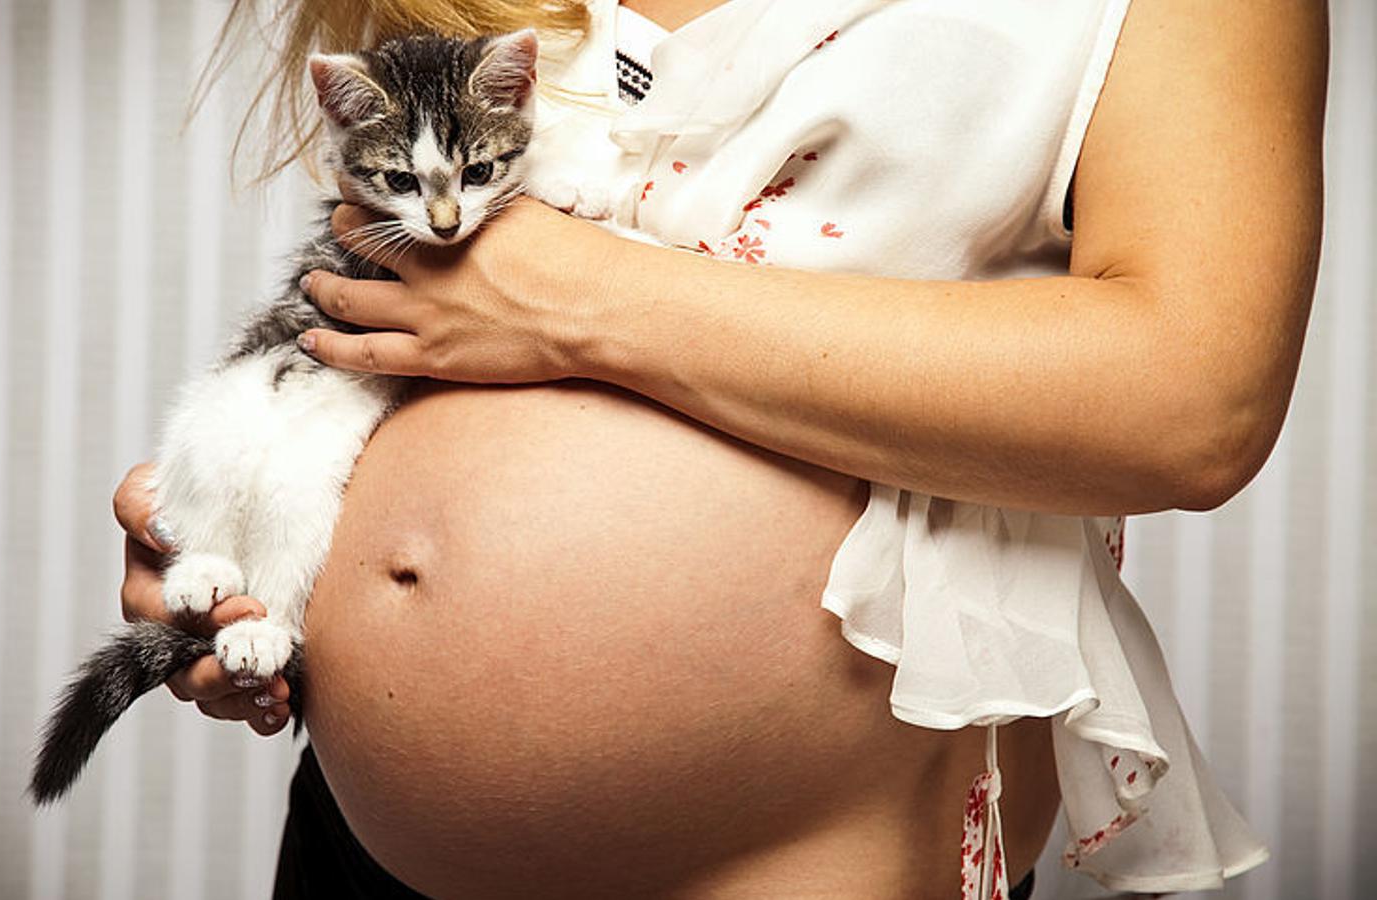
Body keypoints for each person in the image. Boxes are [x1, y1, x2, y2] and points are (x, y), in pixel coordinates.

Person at [112, 0, 1327, 896]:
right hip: (365, 840)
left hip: (800, 851)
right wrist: (236, 528)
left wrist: (584, 299)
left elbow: (1193, 403)